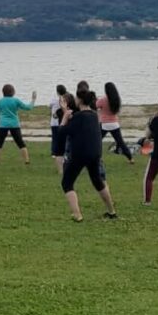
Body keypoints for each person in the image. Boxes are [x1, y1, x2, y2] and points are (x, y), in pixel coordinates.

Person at [60, 89, 118, 222]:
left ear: (79, 100)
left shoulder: (79, 117)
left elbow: (63, 132)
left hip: (80, 154)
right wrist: (68, 114)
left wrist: (64, 117)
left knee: (67, 183)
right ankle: (111, 211)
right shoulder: (93, 115)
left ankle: (77, 214)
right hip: (95, 153)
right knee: (98, 181)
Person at [0, 84, 37, 165]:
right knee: (20, 142)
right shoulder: (16, 101)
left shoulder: (0, 101)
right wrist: (33, 100)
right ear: (13, 92)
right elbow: (28, 107)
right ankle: (26, 160)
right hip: (14, 124)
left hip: (2, 124)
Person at [97, 81, 134, 163]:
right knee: (120, 142)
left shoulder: (103, 99)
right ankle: (130, 158)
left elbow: (96, 105)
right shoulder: (117, 99)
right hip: (114, 123)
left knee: (97, 141)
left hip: (104, 124)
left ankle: (98, 158)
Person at [51, 92, 77, 177]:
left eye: (62, 101)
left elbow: (55, 116)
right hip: (64, 132)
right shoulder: (75, 110)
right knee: (60, 151)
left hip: (67, 132)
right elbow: (55, 115)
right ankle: (62, 171)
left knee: (63, 151)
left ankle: (62, 170)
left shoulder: (69, 111)